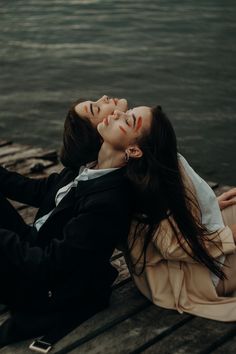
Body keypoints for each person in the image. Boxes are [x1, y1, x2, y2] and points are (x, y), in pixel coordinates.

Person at [0, 95, 154, 345]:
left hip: (42, 283)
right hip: (34, 244)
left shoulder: (108, 201)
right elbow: (34, 190)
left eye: (127, 118)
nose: (108, 103)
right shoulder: (85, 168)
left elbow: (48, 265)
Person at [114, 105, 236, 322]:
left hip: (179, 266)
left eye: (129, 115)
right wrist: (232, 234)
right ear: (133, 150)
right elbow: (176, 247)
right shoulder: (147, 185)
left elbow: (170, 221)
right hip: (188, 280)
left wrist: (212, 204)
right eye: (129, 119)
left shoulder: (144, 167)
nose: (117, 114)